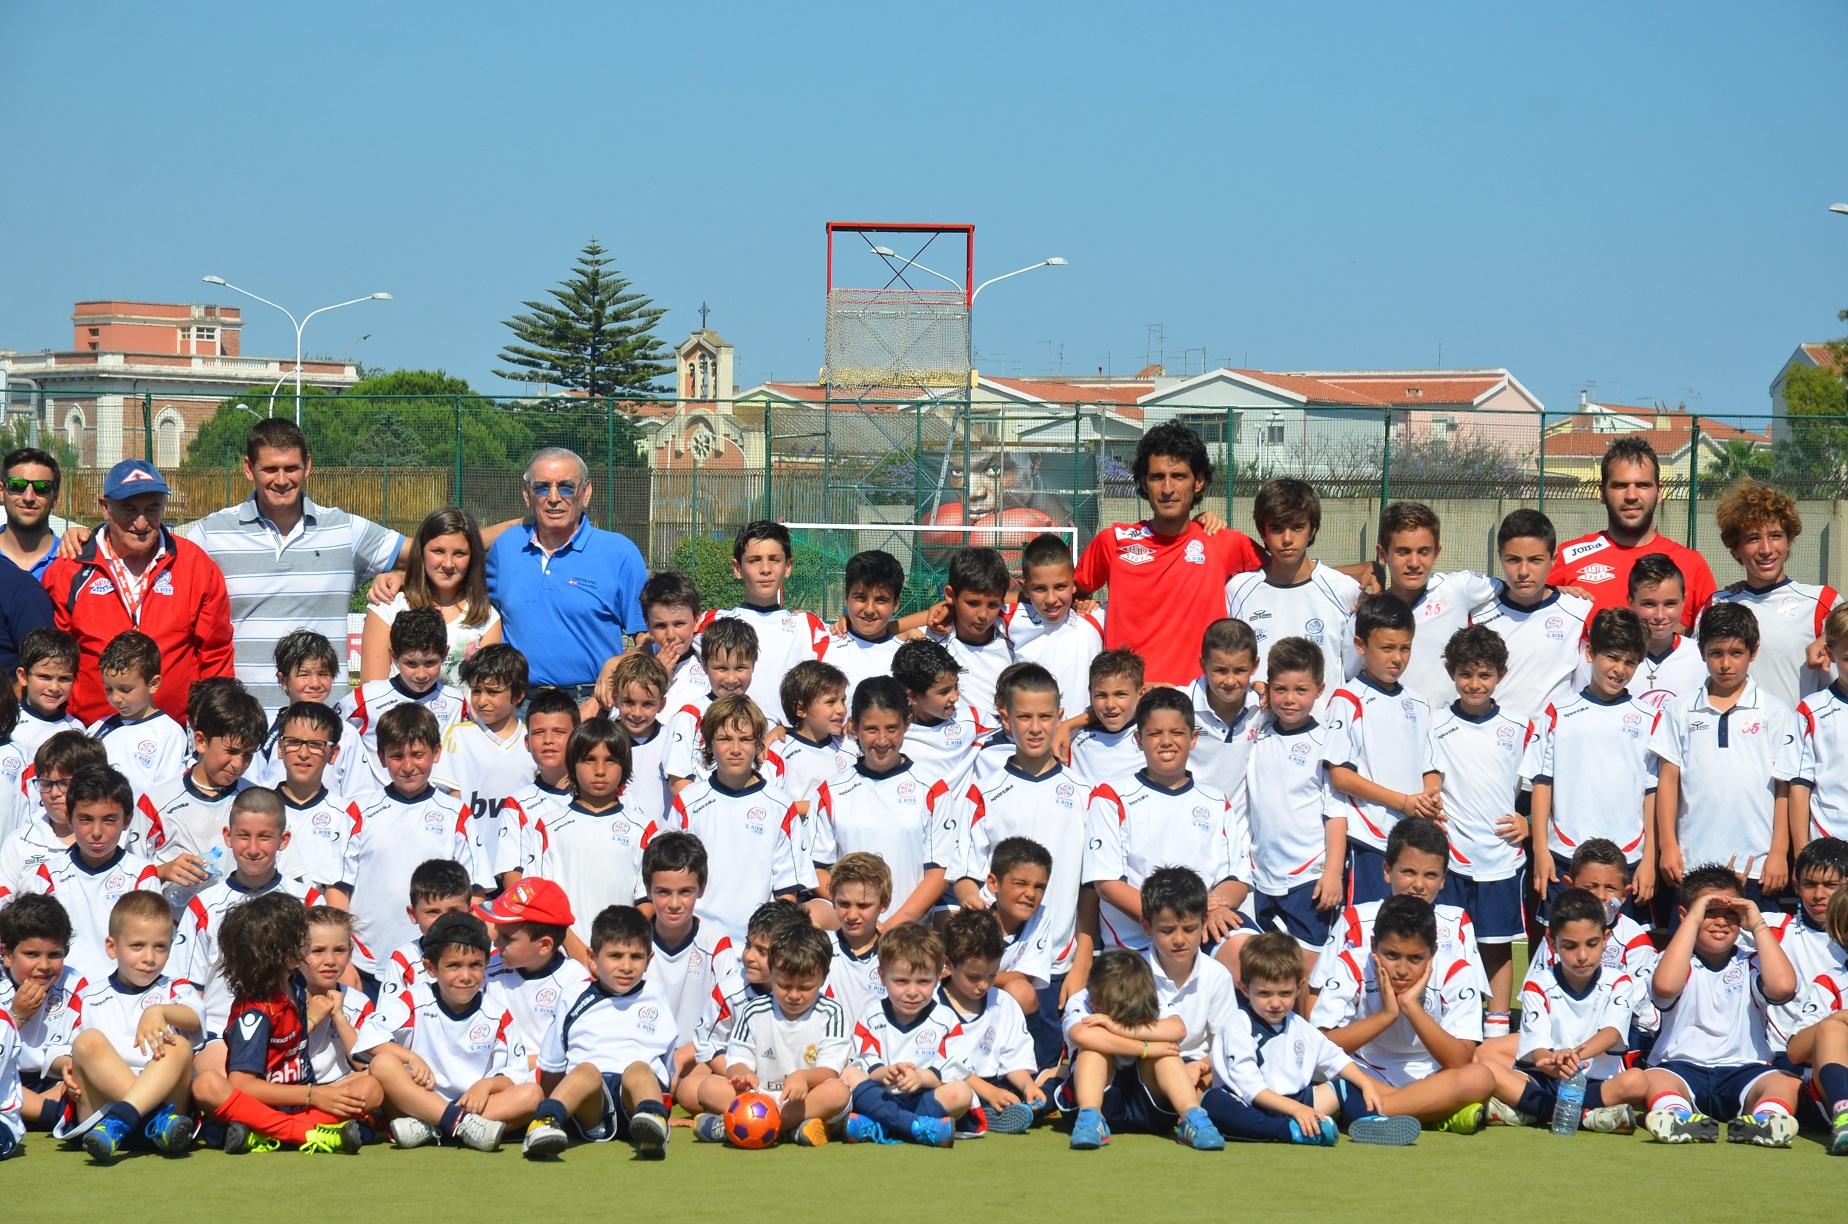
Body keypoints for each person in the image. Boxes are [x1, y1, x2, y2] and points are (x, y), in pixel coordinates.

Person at [174, 418, 405, 713]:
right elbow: (156, 569)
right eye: (270, 469)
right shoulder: (211, 535)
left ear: (307, 466)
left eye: (291, 468)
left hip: (322, 726)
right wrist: (95, 538)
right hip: (244, 728)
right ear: (248, 469)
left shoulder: (346, 531)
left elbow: (439, 554)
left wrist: (404, 575)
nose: (281, 480)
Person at [42, 459, 235, 726]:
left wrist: (215, 725)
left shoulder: (195, 566)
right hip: (91, 735)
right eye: (129, 510)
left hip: (172, 734)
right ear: (105, 507)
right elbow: (54, 659)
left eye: (152, 509)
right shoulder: (70, 568)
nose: (141, 523)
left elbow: (215, 653)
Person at [955, 665, 1088, 1051]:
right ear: (1005, 718)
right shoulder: (984, 793)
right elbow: (965, 875)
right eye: (1024, 716)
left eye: (1045, 717)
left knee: (1053, 1073)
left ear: (1059, 718)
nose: (1034, 727)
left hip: (1061, 964)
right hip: (999, 967)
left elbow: (1091, 887)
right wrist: (973, 904)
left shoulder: (1084, 794)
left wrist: (1082, 962)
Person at [1073, 422, 1263, 686]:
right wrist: (1080, 601)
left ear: (1198, 482)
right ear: (1143, 482)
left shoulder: (1224, 542)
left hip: (1196, 709)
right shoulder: (1113, 542)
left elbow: (1291, 575)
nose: (1167, 489)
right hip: (1129, 708)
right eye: (1157, 477)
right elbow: (1064, 591)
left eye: (1179, 476)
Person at [189, 892, 378, 1155]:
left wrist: (315, 1019)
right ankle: (305, 1133)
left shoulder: (297, 986)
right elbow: (242, 1084)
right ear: (284, 952)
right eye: (302, 936)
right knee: (206, 1085)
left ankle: (264, 1134)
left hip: (299, 1102)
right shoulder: (254, 1012)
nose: (308, 940)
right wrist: (313, 1095)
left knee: (373, 1087)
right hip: (266, 1104)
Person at [1637, 865, 1801, 1145]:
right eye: (1710, 912)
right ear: (1686, 915)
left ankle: (1766, 1120)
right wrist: (1693, 918)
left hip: (1745, 1069)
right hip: (1679, 1067)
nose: (1721, 921)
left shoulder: (1752, 960)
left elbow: (1784, 986)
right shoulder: (1671, 959)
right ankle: (1677, 1115)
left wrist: (1758, 924)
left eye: (1731, 914)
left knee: (1786, 1083)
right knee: (1652, 1079)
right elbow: (1665, 986)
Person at [1652, 602, 1800, 905]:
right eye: (1716, 653)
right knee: (1688, 948)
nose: (1725, 664)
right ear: (1702, 651)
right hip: (1693, 864)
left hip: (1757, 866)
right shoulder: (1679, 709)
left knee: (1757, 949)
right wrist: (1668, 845)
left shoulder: (1775, 711)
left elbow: (1783, 786)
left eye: (1736, 653)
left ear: (1753, 651)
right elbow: (1668, 780)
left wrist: (1777, 853)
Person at [1309, 893, 1495, 1134]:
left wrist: (1410, 1006)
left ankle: (1364, 1108)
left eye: (1416, 958)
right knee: (1312, 1066)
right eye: (1392, 955)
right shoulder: (1350, 964)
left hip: (1432, 1077)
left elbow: (1459, 1060)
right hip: (1363, 1071)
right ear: (1373, 945)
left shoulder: (1457, 972)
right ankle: (1434, 1113)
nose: (1402, 970)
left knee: (1480, 1077)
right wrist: (1386, 1015)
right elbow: (1323, 1043)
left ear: (1434, 951)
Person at [1201, 932, 1408, 1145]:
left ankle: (1371, 1122)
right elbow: (1250, 1089)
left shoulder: (1299, 1025)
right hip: (1254, 1105)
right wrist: (1297, 1110)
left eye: (1284, 993)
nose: (1275, 1003)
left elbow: (1336, 1058)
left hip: (1298, 1102)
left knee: (1350, 1083)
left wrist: (1366, 1084)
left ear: (1299, 987)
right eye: (1264, 993)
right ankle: (1289, 1131)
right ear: (1245, 988)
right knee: (1214, 1102)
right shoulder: (1238, 1023)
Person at [357, 910, 536, 1151]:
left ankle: (433, 1128)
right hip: (417, 1100)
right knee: (382, 1064)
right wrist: (410, 1057)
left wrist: (487, 1086)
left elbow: (516, 1072)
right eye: (453, 965)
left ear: (485, 964)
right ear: (431, 968)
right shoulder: (413, 999)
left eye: (475, 965)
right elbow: (368, 1036)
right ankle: (459, 1125)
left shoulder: (497, 1013)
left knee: (532, 1094)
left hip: (474, 1105)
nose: (465, 976)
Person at [332, 704, 481, 988]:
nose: (408, 765)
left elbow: (476, 893)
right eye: (397, 756)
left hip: (438, 965)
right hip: (367, 965)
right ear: (382, 757)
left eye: (418, 754)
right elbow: (338, 889)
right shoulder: (358, 812)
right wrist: (344, 958)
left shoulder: (456, 814)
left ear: (436, 753)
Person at [1084, 688, 1244, 952]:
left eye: (1177, 733)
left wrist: (1215, 908)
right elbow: (1107, 884)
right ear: (1138, 739)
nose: (1166, 742)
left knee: (1251, 954)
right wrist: (1179, 920)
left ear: (1193, 738)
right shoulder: (1112, 797)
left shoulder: (1216, 801)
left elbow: (1236, 878)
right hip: (1135, 948)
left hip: (1203, 932)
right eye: (1155, 733)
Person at [486, 448, 647, 707]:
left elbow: (648, 640)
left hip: (591, 703)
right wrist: (405, 578)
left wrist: (615, 671)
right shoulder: (505, 547)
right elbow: (457, 591)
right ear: (527, 494)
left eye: (566, 487)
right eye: (541, 487)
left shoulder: (619, 553)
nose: (553, 498)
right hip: (517, 705)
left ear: (585, 492)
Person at [1480, 888, 1650, 1132]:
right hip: (1548, 1078)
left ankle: (1537, 1113)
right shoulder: (1537, 984)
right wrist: (1556, 1064)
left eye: (1592, 944)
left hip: (1596, 1083)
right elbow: (1537, 1052)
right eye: (1570, 946)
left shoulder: (1619, 982)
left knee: (1637, 1081)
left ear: (1605, 938)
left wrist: (1573, 1056)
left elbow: (1612, 1033)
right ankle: (1586, 1117)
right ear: (1552, 943)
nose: (1582, 955)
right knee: (1486, 1069)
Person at [1523, 608, 1660, 910]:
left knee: (1625, 949)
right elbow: (1542, 783)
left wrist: (1650, 858)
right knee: (1564, 944)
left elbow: (1652, 793)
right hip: (1565, 853)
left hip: (1629, 858)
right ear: (1589, 652)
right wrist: (1541, 851)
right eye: (1611, 657)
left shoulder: (1649, 719)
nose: (1619, 669)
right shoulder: (1558, 713)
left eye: (1630, 662)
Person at [1428, 626, 1529, 1033]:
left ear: (1500, 675)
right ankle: (1451, 1021)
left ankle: (1498, 1024)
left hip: (1501, 856)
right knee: (1446, 941)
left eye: (1484, 675)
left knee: (1495, 943)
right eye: (1466, 674)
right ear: (1452, 672)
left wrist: (1528, 822)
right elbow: (1428, 781)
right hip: (1451, 856)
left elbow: (1538, 785)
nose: (1474, 684)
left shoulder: (1520, 725)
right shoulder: (1433, 724)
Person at [522, 904, 678, 1161]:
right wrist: (556, 1100)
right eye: (615, 956)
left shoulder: (656, 996)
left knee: (639, 1069)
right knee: (586, 1071)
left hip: (636, 1100)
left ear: (649, 960)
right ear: (593, 958)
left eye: (636, 957)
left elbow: (667, 1065)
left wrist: (661, 1102)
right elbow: (551, 1065)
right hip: (591, 1108)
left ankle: (653, 1124)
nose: (626, 966)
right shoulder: (573, 996)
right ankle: (545, 1123)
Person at [176, 788, 322, 1060]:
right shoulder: (203, 905)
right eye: (244, 836)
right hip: (221, 1037)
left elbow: (324, 971)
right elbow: (188, 986)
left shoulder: (309, 901)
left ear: (283, 839)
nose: (253, 849)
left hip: (292, 1034)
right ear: (228, 836)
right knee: (214, 1086)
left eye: (264, 837)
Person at [57, 890, 202, 1161]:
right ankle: (142, 1119)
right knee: (86, 1041)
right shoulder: (87, 996)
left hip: (169, 1119)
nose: (150, 957)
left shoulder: (176, 989)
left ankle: (134, 1119)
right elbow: (58, 1050)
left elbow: (196, 1019)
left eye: (160, 946)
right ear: (112, 947)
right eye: (137, 946)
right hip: (100, 1119)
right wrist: (64, 1067)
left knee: (180, 1045)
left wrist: (159, 1011)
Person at [1324, 595, 1441, 905]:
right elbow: (1340, 777)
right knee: (1368, 930)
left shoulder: (1418, 702)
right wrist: (1403, 802)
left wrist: (1427, 798)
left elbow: (1431, 768)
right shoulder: (1347, 699)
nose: (1397, 658)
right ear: (1361, 645)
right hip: (1370, 842)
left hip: (1414, 847)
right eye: (1387, 648)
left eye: (1405, 648)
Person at [691, 921, 851, 1147]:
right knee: (708, 1088)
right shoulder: (754, 1010)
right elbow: (737, 1059)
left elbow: (830, 1071)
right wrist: (743, 1075)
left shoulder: (832, 1013)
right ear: (772, 972)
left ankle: (741, 1127)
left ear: (823, 978)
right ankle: (790, 1130)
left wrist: (803, 1078)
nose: (794, 995)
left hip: (802, 1101)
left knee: (837, 1092)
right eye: (784, 985)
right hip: (758, 1097)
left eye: (805, 988)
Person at [810, 677, 951, 927]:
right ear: (854, 727)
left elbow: (938, 872)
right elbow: (817, 870)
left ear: (907, 722)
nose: (883, 740)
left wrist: (891, 926)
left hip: (909, 940)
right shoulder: (830, 792)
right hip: (851, 936)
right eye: (872, 729)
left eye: (892, 728)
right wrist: (857, 914)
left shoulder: (932, 790)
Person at [1234, 636, 1345, 950]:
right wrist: (1257, 688)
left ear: (1320, 691)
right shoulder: (1260, 729)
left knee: (1308, 971)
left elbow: (1336, 814)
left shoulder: (1326, 743)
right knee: (1270, 972)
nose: (1289, 699)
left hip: (1309, 878)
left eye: (1301, 690)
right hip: (1262, 875)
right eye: (1280, 689)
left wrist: (1333, 873)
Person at [669, 695, 801, 941]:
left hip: (756, 946)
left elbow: (787, 892)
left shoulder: (781, 807)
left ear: (759, 745)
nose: (736, 749)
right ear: (708, 744)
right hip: (698, 944)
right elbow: (670, 877)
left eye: (745, 739)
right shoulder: (687, 803)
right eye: (725, 739)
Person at [1549, 435, 1717, 628]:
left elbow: (1715, 643)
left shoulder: (1692, 565)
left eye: (1642, 485)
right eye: (1620, 485)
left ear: (1659, 492)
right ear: (1602, 492)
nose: (1631, 496)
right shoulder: (1566, 558)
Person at [18, 764, 161, 982]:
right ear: (69, 818)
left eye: (109, 819)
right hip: (63, 993)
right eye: (85, 819)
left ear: (127, 820)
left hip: (120, 992)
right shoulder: (49, 874)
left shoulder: (142, 874)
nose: (96, 832)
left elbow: (147, 942)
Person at [1705, 480, 1837, 710]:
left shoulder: (1821, 602)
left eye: (1775, 535)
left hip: (1794, 742)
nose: (1766, 549)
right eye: (1753, 538)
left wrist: (1831, 639)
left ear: (1788, 541)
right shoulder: (1717, 604)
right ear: (1736, 548)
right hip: (1733, 742)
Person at [840, 922, 974, 1147]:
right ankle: (914, 1127)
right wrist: (885, 1073)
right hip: (880, 1097)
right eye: (901, 981)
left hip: (923, 1099)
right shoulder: (871, 1015)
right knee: (848, 1075)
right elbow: (863, 1061)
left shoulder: (945, 1019)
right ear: (882, 977)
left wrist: (921, 1077)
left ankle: (881, 1126)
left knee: (962, 1092)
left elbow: (955, 1067)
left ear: (938, 976)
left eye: (923, 981)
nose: (912, 992)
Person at [129, 680, 268, 894]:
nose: (239, 764)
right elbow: (128, 877)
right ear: (201, 741)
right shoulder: (155, 803)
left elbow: (283, 874)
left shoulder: (259, 803)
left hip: (239, 924)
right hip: (174, 923)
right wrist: (164, 871)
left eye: (248, 754)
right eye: (231, 751)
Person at [1055, 948, 1195, 1151]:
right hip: (1101, 1101)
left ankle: (1194, 1117)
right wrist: (1146, 1048)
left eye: (1133, 1018)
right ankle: (1090, 1117)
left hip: (1150, 1107)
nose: (1092, 1004)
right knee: (1092, 1049)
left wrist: (1117, 1027)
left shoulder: (1149, 997)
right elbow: (1082, 1035)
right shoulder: (1081, 999)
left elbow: (1178, 1029)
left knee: (1167, 1055)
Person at [1226, 477, 1363, 682]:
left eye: (1298, 527)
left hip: (1326, 715)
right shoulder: (1238, 590)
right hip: (1259, 714)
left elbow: (1354, 671)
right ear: (1263, 532)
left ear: (1313, 529)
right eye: (1277, 528)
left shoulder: (1346, 591)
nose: (1287, 538)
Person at [334, 605, 470, 802]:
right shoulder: (365, 698)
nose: (421, 674)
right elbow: (329, 733)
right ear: (394, 656)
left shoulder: (456, 701)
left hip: (436, 813)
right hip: (380, 811)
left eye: (430, 663)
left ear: (444, 654)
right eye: (411, 664)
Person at [538, 718, 653, 947]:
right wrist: (579, 953)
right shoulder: (549, 827)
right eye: (589, 760)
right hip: (564, 959)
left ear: (625, 766)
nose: (600, 771)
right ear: (572, 765)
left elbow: (648, 900)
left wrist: (617, 947)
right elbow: (542, 901)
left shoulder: (643, 828)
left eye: (610, 760)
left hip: (621, 957)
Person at [1372, 501, 1498, 706]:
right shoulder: (1369, 615)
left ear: (1437, 553)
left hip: (1447, 732)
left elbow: (1519, 585)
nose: (1414, 563)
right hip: (1394, 731)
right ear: (1382, 553)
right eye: (1403, 552)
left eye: (1423, 552)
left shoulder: (1459, 588)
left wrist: (1559, 588)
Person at [707, 520, 829, 727]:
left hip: (786, 747)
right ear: (737, 568)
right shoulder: (710, 622)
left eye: (774, 559)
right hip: (729, 745)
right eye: (754, 560)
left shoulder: (808, 627)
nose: (765, 569)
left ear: (788, 566)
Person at [433, 644, 535, 890]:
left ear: (519, 694)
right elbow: (452, 801)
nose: (481, 700)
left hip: (522, 871)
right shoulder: (459, 736)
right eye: (476, 691)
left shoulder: (534, 742)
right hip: (472, 870)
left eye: (493, 691)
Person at [361, 507, 501, 686]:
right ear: (421, 552)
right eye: (438, 551)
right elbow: (371, 691)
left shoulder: (487, 617)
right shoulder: (387, 606)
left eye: (459, 553)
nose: (448, 564)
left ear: (473, 558)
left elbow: (484, 694)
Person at [1481, 509, 1595, 727]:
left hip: (1551, 744)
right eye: (1513, 560)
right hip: (1492, 740)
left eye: (1535, 560)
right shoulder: (1478, 613)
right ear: (1500, 557)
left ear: (1553, 559)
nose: (1523, 571)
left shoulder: (1579, 610)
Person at [476, 878, 593, 1089]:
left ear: (545, 945)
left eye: (507, 938)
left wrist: (521, 1065)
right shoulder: (488, 967)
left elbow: (578, 1054)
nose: (496, 943)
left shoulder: (575, 981)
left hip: (542, 1080)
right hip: (489, 1075)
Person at [937, 908, 1044, 1135]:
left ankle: (987, 1112)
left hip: (994, 1086)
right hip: (950, 1087)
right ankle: (977, 1113)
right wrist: (989, 1093)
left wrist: (1028, 1086)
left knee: (1051, 1083)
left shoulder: (1003, 1003)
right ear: (949, 963)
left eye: (992, 975)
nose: (984, 985)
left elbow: (1013, 1060)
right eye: (973, 977)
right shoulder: (931, 1005)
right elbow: (945, 1068)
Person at [0, 893, 83, 1135]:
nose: (44, 965)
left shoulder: (76, 985)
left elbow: (81, 1044)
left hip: (54, 1083)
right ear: (6, 954)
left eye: (54, 955)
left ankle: (45, 1112)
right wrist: (17, 1017)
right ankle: (50, 1114)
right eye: (32, 954)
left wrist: (69, 1067)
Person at [1003, 533, 1106, 723]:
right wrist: (941, 611)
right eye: (1040, 589)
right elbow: (980, 601)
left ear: (1074, 583)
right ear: (1025, 588)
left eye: (1060, 587)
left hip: (1087, 739)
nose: (1051, 599)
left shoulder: (1095, 617)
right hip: (1035, 739)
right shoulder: (1011, 617)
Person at [1582, 552, 1705, 710]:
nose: (1660, 615)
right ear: (1630, 601)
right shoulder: (1605, 660)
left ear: (1684, 600)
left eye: (1670, 604)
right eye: (1649, 604)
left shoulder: (1702, 657)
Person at [270, 701, 359, 894]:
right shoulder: (258, 809)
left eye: (315, 745)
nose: (303, 754)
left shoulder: (347, 815)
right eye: (293, 742)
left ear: (333, 754)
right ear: (280, 747)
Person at [86, 630, 187, 798]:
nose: (116, 698)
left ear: (153, 684)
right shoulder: (97, 728)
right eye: (109, 689)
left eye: (126, 690)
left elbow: (167, 795)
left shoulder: (169, 734)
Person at [923, 547, 1016, 727]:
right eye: (973, 603)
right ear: (950, 595)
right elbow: (890, 631)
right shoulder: (930, 641)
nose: (983, 614)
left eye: (993, 604)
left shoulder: (1015, 640)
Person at [662, 618, 759, 789]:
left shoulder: (764, 718)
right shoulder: (688, 717)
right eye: (721, 668)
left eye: (740, 668)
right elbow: (678, 784)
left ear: (753, 664)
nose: (731, 679)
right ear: (705, 665)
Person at [890, 639, 990, 800]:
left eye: (956, 686)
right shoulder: (893, 734)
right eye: (944, 692)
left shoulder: (974, 721)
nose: (955, 697)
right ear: (913, 696)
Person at [1187, 619, 1264, 801]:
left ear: (1255, 666)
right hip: (1189, 824)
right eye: (1220, 670)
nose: (1230, 681)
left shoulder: (1265, 705)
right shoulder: (1178, 706)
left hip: (1242, 829)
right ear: (1203, 665)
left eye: (1239, 671)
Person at [1795, 603, 1848, 848]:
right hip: (1828, 843)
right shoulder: (1811, 710)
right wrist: (1799, 850)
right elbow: (1799, 784)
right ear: (1830, 653)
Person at [826, 550, 906, 712]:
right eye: (861, 598)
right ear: (846, 596)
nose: (869, 609)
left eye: (881, 600)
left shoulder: (906, 656)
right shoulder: (822, 641)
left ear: (896, 603)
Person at [819, 852, 889, 1027]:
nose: (852, 915)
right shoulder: (817, 949)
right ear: (833, 900)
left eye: (863, 905)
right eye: (844, 904)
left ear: (884, 904)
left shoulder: (899, 955)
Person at [1067, 649, 1146, 784]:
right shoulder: (1071, 730)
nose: (1110, 704)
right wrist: (1066, 726)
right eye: (1101, 695)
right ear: (1090, 695)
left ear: (1141, 694)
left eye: (1120, 694)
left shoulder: (1153, 730)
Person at [11, 626, 81, 760]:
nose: (54, 687)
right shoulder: (7, 721)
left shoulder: (76, 730)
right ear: (23, 676)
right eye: (44, 677)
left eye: (64, 678)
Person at [0, 447, 63, 580]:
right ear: (1, 491)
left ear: (55, 497)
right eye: (17, 485)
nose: (28, 497)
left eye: (42, 488)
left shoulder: (72, 560)